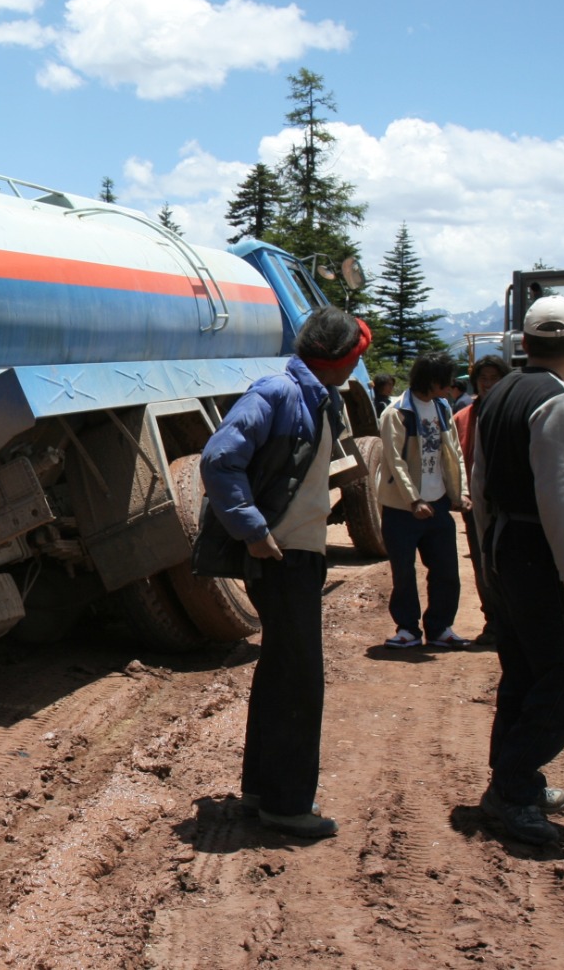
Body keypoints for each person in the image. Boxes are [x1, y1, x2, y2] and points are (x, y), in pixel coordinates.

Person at [199, 306, 370, 840]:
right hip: (282, 558)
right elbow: (217, 459)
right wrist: (252, 529)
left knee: (281, 675)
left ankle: (261, 792)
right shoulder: (277, 393)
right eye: (355, 358)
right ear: (342, 359)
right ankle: (287, 805)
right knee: (299, 683)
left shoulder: (317, 395)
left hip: (298, 555)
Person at [472, 296, 564, 845]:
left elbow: (477, 481)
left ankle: (511, 781)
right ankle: (515, 785)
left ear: (523, 344)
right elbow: (557, 492)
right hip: (540, 548)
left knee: (525, 669)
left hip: (504, 542)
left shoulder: (498, 392)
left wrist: (485, 554)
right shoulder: (561, 399)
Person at [376, 351, 471, 648]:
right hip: (402, 508)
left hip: (439, 502)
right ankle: (407, 629)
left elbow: (454, 453)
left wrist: (461, 492)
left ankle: (440, 627)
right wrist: (414, 500)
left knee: (446, 571)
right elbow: (394, 461)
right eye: (444, 382)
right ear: (431, 381)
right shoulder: (397, 413)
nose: (448, 388)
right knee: (403, 572)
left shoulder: (443, 408)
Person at [454, 354, 511, 646]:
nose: (488, 384)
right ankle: (493, 621)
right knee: (482, 564)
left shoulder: (513, 412)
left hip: (510, 506)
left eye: (494, 378)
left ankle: (512, 622)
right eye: (483, 379)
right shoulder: (463, 417)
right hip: (476, 505)